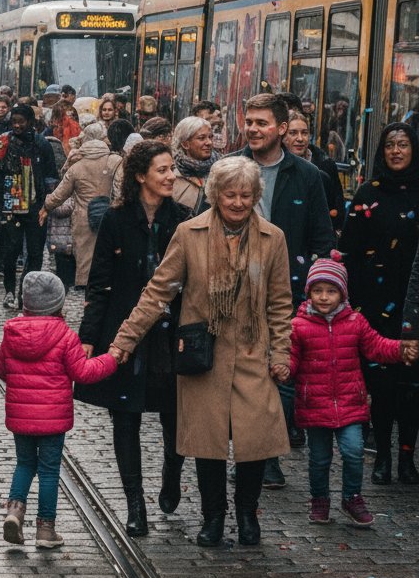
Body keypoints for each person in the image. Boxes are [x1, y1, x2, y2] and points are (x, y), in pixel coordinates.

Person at [111, 156, 293, 548]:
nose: (239, 202)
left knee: (254, 439)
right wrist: (125, 340)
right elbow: (158, 292)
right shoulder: (189, 234)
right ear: (215, 195)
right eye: (230, 195)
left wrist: (281, 353)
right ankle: (213, 517)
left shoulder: (272, 238)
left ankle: (247, 513)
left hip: (251, 350)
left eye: (246, 195)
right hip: (202, 354)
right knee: (208, 442)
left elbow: (280, 302)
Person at [77, 141, 191, 536]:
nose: (171, 176)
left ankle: (171, 473)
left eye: (172, 169)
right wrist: (89, 337)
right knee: (124, 419)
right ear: (141, 175)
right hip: (125, 333)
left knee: (175, 418)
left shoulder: (184, 219)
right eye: (162, 170)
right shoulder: (116, 220)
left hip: (170, 337)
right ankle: (135, 504)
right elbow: (100, 282)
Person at [234, 91, 335, 490]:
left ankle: (268, 455)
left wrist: (316, 283)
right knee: (242, 378)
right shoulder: (231, 167)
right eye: (249, 122)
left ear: (280, 128)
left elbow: (321, 238)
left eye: (262, 123)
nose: (253, 129)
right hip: (237, 289)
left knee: (281, 376)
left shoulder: (307, 176)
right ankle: (249, 451)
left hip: (286, 293)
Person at [290, 254, 417, 527]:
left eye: (331, 291)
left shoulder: (355, 322)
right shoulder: (298, 326)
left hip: (349, 402)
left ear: (342, 293)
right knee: (320, 458)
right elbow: (291, 359)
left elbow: (376, 346)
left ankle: (352, 497)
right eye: (318, 291)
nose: (324, 297)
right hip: (315, 404)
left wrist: (400, 349)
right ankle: (320, 499)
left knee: (353, 451)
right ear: (309, 292)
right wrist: (280, 368)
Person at [0, 271, 120, 550]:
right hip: (53, 419)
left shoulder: (12, 332)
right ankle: (46, 530)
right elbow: (83, 372)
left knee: (24, 464)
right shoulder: (65, 336)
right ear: (58, 304)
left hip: (21, 417)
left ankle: (14, 513)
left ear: (25, 303)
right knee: (50, 471)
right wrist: (111, 360)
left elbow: (2, 369)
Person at [340, 122, 419, 484]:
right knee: (383, 383)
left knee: (412, 386)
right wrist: (353, 302)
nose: (397, 151)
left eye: (403, 144)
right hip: (375, 302)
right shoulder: (367, 193)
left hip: (414, 302)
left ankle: (407, 457)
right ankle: (383, 455)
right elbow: (351, 251)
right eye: (390, 145)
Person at [0, 104, 58, 310]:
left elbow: (51, 175)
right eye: (13, 121)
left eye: (21, 122)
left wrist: (47, 204)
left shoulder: (42, 143)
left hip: (35, 207)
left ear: (30, 122)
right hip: (9, 207)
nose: (16, 125)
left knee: (35, 253)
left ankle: (25, 293)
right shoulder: (3, 141)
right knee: (11, 251)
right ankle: (9, 290)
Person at [39, 120, 120, 291]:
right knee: (110, 261)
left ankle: (88, 300)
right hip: (112, 218)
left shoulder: (76, 165)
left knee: (86, 265)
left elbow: (60, 194)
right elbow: (123, 189)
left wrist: (46, 207)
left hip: (83, 221)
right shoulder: (115, 161)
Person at [283, 110, 344, 233]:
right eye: (293, 133)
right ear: (283, 136)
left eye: (304, 133)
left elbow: (337, 212)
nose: (300, 138)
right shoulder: (276, 167)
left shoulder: (325, 166)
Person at [171, 115, 217, 215]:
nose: (209, 142)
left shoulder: (222, 171)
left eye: (210, 137)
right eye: (201, 138)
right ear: (185, 144)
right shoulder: (171, 177)